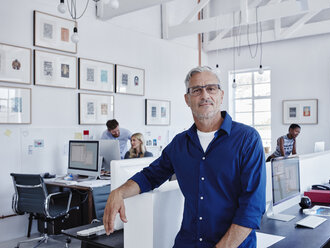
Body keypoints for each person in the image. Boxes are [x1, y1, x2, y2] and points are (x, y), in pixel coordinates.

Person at [103, 66, 266, 248]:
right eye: (196, 90)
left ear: (221, 95)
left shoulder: (247, 139)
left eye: (211, 88)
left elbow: (252, 208)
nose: (204, 95)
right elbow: (150, 176)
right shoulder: (180, 144)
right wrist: (119, 192)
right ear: (187, 99)